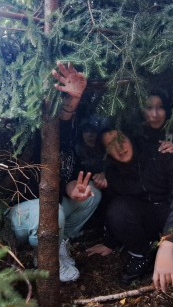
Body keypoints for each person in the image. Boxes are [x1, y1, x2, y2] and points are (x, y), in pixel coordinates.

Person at [6, 63, 102, 282]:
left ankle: (58, 244)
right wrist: (70, 103)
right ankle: (45, 257)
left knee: (92, 195)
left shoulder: (68, 141)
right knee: (51, 211)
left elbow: (65, 177)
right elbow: (56, 123)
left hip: (50, 209)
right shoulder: (28, 136)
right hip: (17, 214)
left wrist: (73, 190)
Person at [87, 127, 173, 291]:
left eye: (121, 139)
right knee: (118, 208)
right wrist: (109, 242)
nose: (119, 147)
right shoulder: (112, 172)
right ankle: (141, 255)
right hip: (147, 222)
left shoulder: (161, 152)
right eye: (111, 144)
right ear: (106, 152)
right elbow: (114, 208)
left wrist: (169, 241)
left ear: (130, 137)